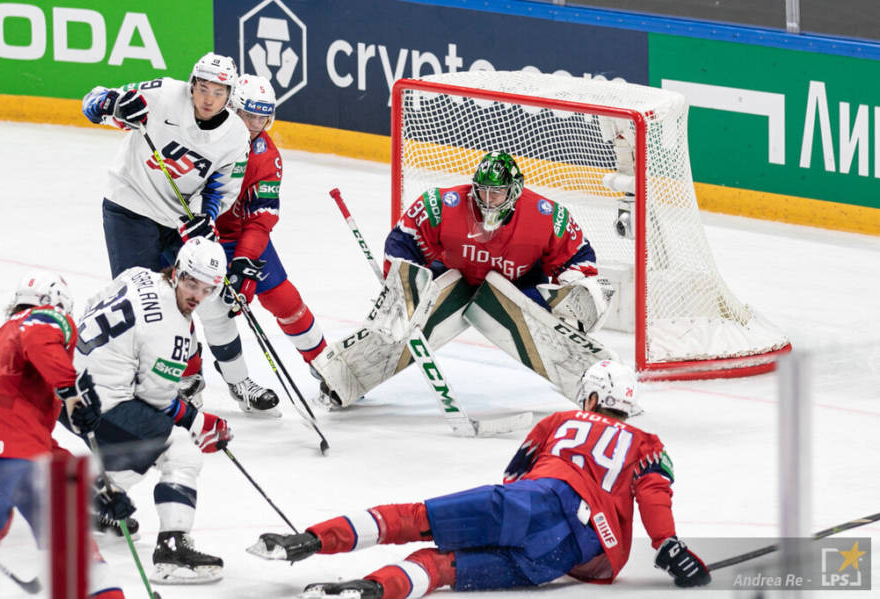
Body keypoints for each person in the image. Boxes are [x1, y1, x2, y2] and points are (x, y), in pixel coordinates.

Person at [248, 360, 710, 598]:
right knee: (443, 568)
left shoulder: (562, 420)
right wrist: (670, 548)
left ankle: (311, 540)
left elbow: (514, 477)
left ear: (592, 396)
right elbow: (655, 495)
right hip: (572, 554)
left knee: (417, 521)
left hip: (534, 502)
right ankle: (373, 591)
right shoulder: (647, 442)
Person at [311, 151, 616, 408]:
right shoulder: (442, 204)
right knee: (400, 318)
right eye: (482, 191)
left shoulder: (546, 215)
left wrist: (571, 288)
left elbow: (579, 256)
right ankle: (343, 376)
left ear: (515, 191)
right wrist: (403, 285)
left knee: (558, 320)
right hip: (455, 279)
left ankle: (600, 388)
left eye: (497, 192)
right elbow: (404, 239)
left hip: (518, 287)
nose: (488, 200)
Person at [82, 53, 278, 419]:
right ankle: (181, 381)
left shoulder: (236, 136)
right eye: (202, 88)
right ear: (192, 85)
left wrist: (205, 217)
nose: (208, 99)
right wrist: (112, 105)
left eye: (217, 92)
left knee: (212, 297)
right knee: (147, 303)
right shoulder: (164, 94)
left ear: (229, 95)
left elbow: (222, 188)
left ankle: (239, 381)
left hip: (180, 219)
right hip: (130, 207)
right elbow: (94, 101)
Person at [73, 238, 234, 584]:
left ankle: (92, 499)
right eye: (192, 283)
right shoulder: (172, 332)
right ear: (177, 272)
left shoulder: (137, 275)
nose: (197, 295)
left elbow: (91, 305)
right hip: (98, 403)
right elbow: (156, 402)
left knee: (143, 444)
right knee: (180, 451)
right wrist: (197, 422)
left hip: (65, 384)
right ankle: (172, 552)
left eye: (207, 289)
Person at [185, 74, 327, 414]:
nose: (254, 125)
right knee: (203, 309)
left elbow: (261, 218)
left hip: (239, 236)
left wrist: (243, 262)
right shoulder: (202, 135)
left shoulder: (266, 156)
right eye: (249, 116)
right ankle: (201, 377)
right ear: (232, 108)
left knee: (283, 298)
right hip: (196, 236)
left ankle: (325, 364)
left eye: (262, 118)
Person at [0, 272, 128, 598]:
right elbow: (41, 339)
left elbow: (34, 441)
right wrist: (71, 393)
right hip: (13, 452)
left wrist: (95, 485)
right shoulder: (47, 317)